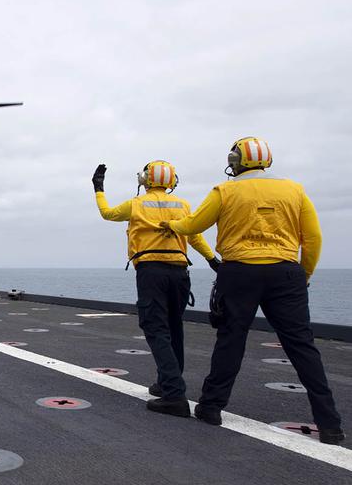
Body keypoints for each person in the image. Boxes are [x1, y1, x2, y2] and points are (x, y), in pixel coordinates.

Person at [160, 137, 344, 444]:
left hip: (239, 272)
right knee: (302, 346)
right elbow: (312, 238)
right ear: (266, 161)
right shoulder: (294, 189)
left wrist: (172, 226)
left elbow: (194, 225)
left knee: (231, 340)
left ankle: (211, 407)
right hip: (286, 273)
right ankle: (330, 424)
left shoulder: (225, 190)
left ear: (236, 161)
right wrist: (304, 274)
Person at [93, 161, 220, 417]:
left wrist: (99, 188)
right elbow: (194, 235)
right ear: (172, 181)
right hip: (179, 272)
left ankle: (174, 392)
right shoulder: (182, 205)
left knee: (155, 327)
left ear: (145, 180)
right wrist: (212, 260)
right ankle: (166, 382)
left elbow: (107, 214)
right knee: (174, 327)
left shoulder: (137, 204)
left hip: (152, 271)